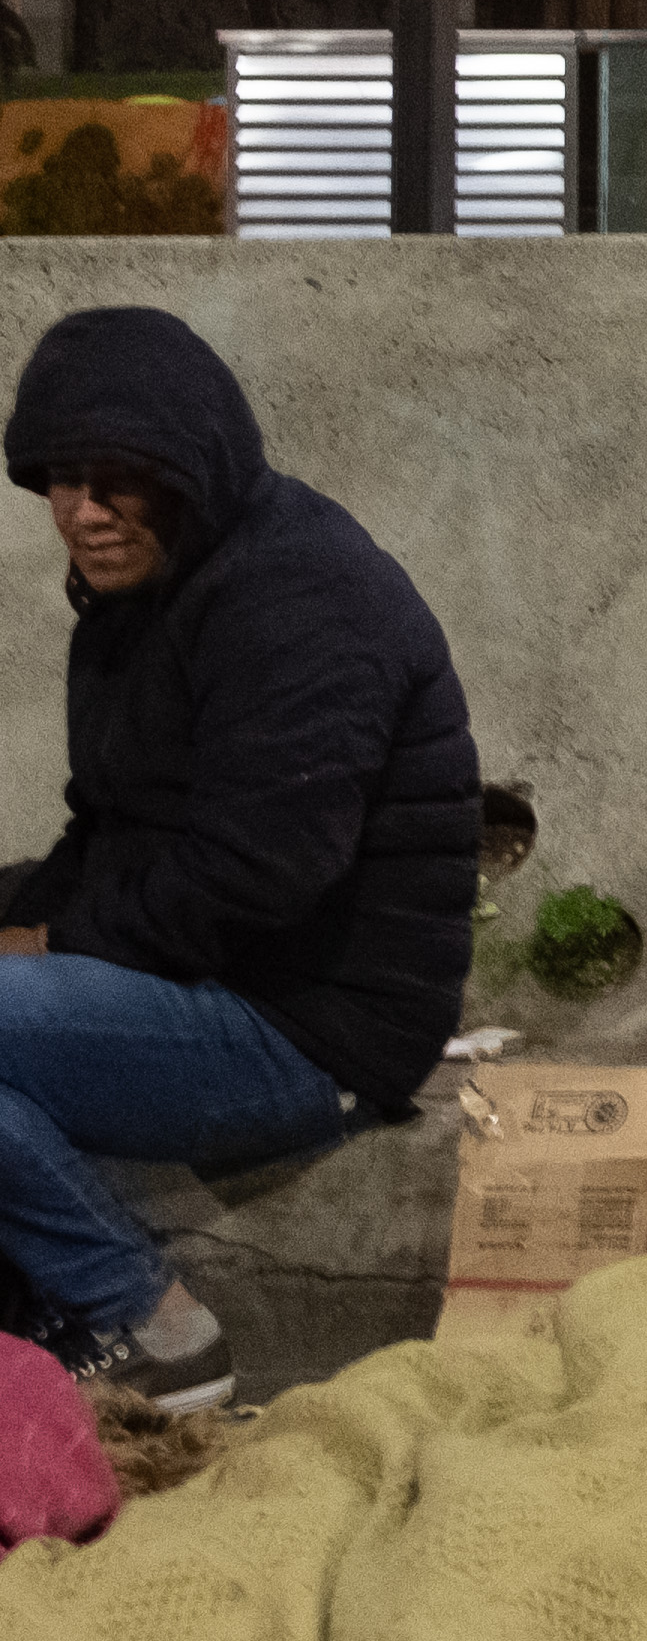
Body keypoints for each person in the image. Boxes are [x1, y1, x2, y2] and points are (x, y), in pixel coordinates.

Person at [1, 305, 480, 1412]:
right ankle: (67, 1329)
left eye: (116, 477)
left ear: (192, 466)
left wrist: (48, 945)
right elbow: (107, 826)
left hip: (310, 1028)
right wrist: (28, 918)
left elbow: (258, 872)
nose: (81, 511)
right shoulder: (141, 600)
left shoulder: (305, 596)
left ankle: (146, 1323)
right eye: (58, 481)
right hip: (203, 985)